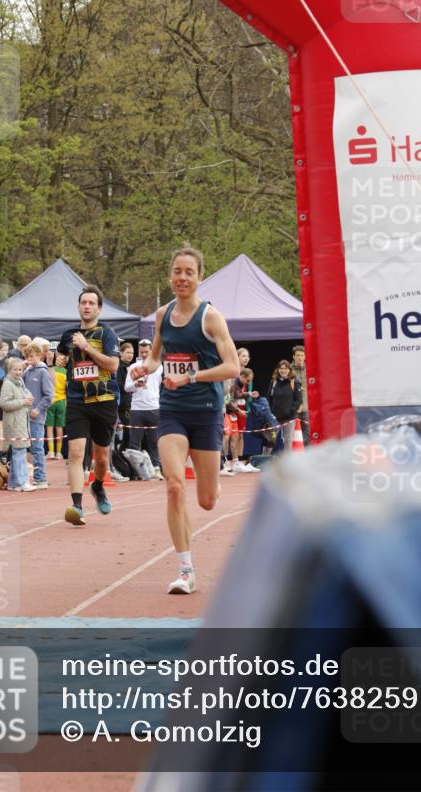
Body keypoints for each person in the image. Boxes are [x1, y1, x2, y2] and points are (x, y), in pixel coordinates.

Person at [129, 245, 240, 595]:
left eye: (189, 272)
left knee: (207, 500)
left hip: (206, 411)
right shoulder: (162, 315)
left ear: (200, 277)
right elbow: (157, 358)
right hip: (172, 410)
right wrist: (144, 368)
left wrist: (191, 378)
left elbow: (232, 367)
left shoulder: (210, 318)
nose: (182, 277)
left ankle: (215, 482)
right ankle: (186, 570)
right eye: (177, 271)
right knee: (175, 485)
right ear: (170, 276)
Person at [58, 286, 121, 526]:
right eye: (83, 302)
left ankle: (98, 486)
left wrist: (86, 347)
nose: (86, 306)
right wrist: (61, 359)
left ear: (99, 308)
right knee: (75, 454)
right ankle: (76, 505)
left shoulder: (107, 334)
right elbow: (63, 358)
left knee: (102, 458)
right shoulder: (68, 334)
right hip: (76, 401)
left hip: (104, 401)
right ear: (78, 306)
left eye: (91, 303)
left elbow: (113, 365)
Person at [124, 338, 164, 479]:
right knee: (135, 441)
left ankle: (156, 469)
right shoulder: (133, 367)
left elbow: (161, 386)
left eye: (147, 351)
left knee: (154, 441)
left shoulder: (159, 366)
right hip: (137, 408)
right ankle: (137, 472)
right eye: (142, 352)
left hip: (154, 407)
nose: (144, 354)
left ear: (152, 351)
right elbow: (126, 387)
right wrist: (136, 384)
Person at [0, 357, 36, 492]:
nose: (18, 372)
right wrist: (23, 402)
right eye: (15, 369)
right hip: (14, 422)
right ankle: (22, 482)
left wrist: (29, 399)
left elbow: (25, 396)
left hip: (21, 421)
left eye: (20, 369)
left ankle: (13, 483)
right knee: (19, 452)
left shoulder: (19, 382)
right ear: (10, 370)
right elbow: (4, 403)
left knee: (18, 451)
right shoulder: (8, 384)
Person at [23, 342, 54, 488]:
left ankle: (41, 478)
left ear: (39, 356)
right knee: (24, 447)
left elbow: (49, 396)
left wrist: (38, 409)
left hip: (36, 417)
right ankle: (28, 476)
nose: (30, 359)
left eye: (33, 356)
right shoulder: (26, 372)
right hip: (24, 416)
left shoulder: (43, 371)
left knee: (37, 447)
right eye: (28, 356)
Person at [267, 360, 302, 453]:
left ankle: (287, 461)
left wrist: (291, 411)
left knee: (288, 439)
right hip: (275, 417)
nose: (283, 371)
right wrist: (270, 414)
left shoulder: (294, 382)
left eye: (285, 368)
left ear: (289, 370)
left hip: (289, 417)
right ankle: (264, 460)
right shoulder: (274, 381)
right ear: (278, 370)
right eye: (281, 368)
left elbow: (298, 400)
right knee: (270, 439)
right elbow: (269, 398)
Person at [45, 351, 67, 459]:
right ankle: (55, 452)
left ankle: (54, 452)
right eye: (59, 358)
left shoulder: (50, 369)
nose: (59, 360)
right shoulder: (67, 372)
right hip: (59, 401)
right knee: (56, 427)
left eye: (61, 359)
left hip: (55, 401)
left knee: (53, 427)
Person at [291, 344, 310, 445]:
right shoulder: (288, 370)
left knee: (307, 434)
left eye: (302, 355)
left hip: (307, 407)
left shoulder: (310, 369)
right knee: (292, 434)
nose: (300, 358)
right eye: (298, 355)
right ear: (293, 357)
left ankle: (307, 457)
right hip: (293, 407)